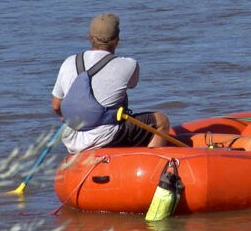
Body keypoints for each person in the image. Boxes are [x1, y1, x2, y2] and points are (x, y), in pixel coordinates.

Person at [50, 12, 172, 153]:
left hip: (71, 139)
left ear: (89, 37)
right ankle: (152, 167)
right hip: (106, 137)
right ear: (117, 40)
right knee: (161, 121)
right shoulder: (128, 65)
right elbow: (132, 84)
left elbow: (56, 105)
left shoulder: (69, 62)